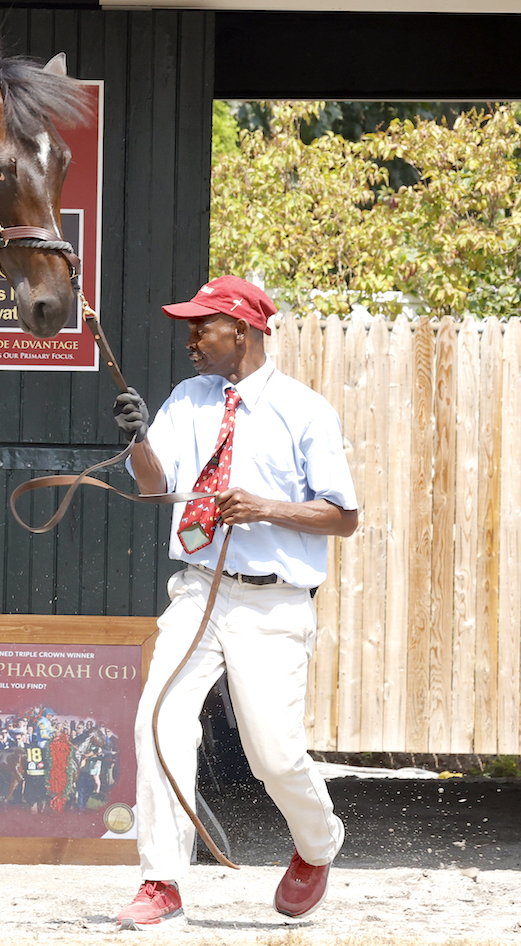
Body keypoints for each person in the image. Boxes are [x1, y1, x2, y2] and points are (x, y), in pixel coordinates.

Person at [109, 275, 358, 930]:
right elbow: (155, 485)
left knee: (273, 754)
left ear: (240, 332)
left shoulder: (306, 411)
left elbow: (343, 516)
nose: (191, 340)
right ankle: (161, 882)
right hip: (199, 589)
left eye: (202, 327)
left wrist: (264, 508)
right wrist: (137, 441)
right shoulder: (189, 400)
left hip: (272, 602)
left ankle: (317, 845)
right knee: (158, 721)